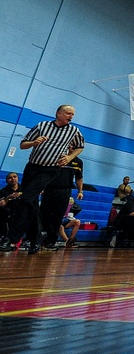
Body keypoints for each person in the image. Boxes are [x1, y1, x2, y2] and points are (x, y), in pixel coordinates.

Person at [1, 105, 85, 254]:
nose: (71, 116)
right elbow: (22, 145)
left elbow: (80, 146)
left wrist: (69, 157)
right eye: (68, 113)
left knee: (25, 199)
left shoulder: (73, 131)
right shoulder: (42, 126)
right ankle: (35, 240)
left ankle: (11, 238)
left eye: (73, 114)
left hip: (51, 170)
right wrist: (34, 143)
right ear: (58, 113)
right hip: (32, 167)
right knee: (32, 203)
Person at [0, 172, 23, 244]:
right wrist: (8, 198)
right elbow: (1, 205)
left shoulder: (24, 189)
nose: (13, 179)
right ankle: (5, 237)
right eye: (10, 178)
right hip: (10, 213)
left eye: (14, 177)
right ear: (6, 181)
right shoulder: (3, 191)